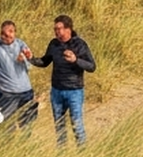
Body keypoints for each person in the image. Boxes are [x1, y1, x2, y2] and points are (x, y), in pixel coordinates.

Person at [28, 14, 95, 147]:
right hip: (56, 91)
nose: (57, 32)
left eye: (59, 29)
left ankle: (82, 154)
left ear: (68, 29)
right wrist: (31, 58)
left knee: (77, 124)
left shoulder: (79, 44)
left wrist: (76, 60)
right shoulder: (54, 44)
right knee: (59, 125)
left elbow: (92, 66)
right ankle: (61, 156)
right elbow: (45, 61)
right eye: (55, 29)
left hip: (74, 91)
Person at [0, 19, 37, 129]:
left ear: (14, 33)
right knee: (7, 124)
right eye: (3, 33)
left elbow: (30, 66)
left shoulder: (21, 44)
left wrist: (25, 59)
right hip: (8, 93)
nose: (6, 35)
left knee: (27, 123)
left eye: (10, 32)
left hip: (26, 91)